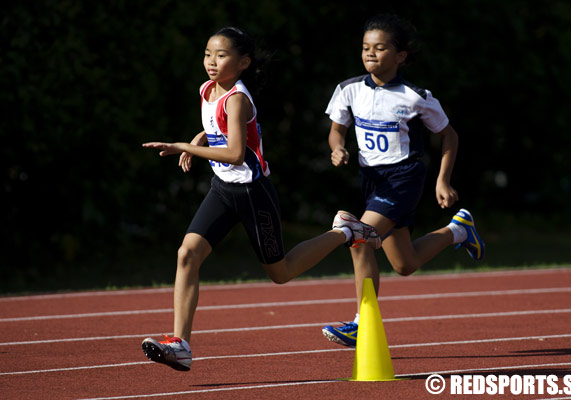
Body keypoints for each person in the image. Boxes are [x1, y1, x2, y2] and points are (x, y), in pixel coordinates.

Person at [140, 27, 380, 371]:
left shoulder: (237, 97)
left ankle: (345, 232)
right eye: (208, 53)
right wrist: (198, 140)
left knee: (280, 273)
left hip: (252, 193)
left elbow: (237, 153)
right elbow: (216, 127)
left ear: (243, 63)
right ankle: (181, 344)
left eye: (221, 56)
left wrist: (184, 146)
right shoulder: (207, 88)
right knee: (187, 254)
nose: (211, 61)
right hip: (223, 190)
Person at [321, 14, 485, 348]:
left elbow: (449, 136)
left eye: (380, 48)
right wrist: (337, 149)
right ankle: (459, 230)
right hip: (371, 180)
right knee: (405, 263)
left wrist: (443, 180)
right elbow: (337, 131)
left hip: (404, 178)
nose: (370, 54)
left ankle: (361, 323)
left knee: (361, 239)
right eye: (366, 48)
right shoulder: (347, 90)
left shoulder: (416, 96)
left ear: (400, 56)